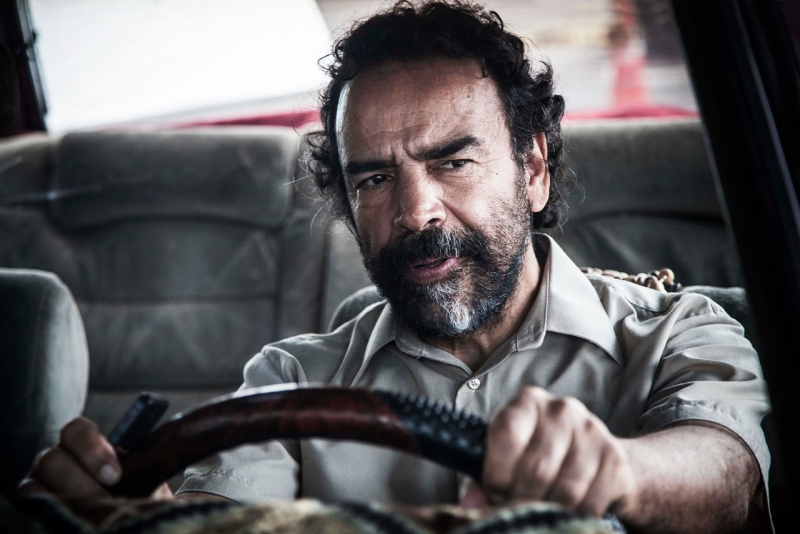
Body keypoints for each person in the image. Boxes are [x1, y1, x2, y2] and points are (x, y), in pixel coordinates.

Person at [20, 2, 771, 532]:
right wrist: (138, 517)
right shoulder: (289, 379)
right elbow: (220, 518)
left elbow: (730, 478)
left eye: (453, 162)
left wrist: (617, 472)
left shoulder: (679, 332)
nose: (415, 212)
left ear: (534, 170)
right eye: (375, 179)